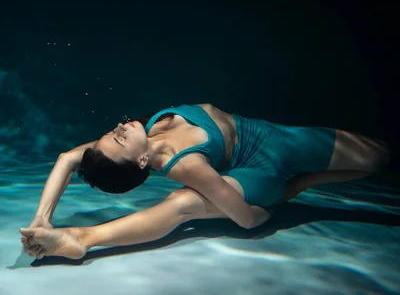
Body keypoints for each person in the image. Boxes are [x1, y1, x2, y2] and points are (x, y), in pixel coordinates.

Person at [20, 102, 390, 260]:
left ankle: (62, 232)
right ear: (143, 160)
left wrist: (42, 218)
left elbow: (68, 157)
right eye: (118, 138)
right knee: (182, 204)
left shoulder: (145, 133)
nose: (118, 128)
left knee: (378, 158)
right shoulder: (188, 166)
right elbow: (246, 219)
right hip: (259, 174)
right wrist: (297, 187)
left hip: (279, 139)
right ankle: (82, 239)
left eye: (110, 131)